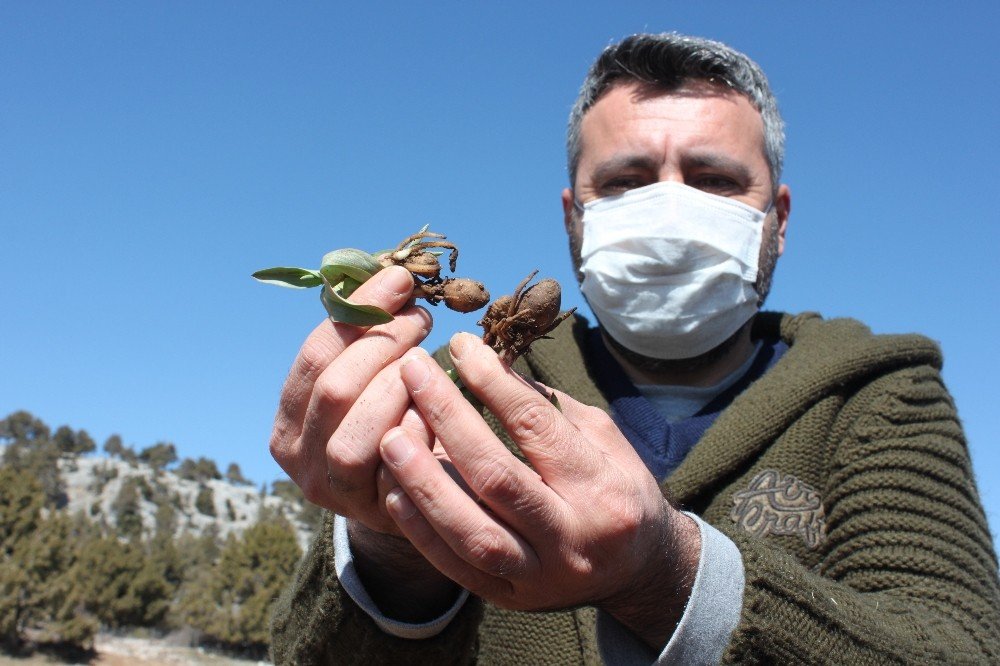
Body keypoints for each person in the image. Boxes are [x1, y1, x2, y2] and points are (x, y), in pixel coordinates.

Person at [268, 33, 1000, 664]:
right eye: (627, 181)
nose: (672, 209)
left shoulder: (879, 392)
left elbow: (959, 646)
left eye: (714, 179)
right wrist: (390, 544)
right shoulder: (462, 390)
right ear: (573, 214)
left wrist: (665, 576)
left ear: (778, 217)